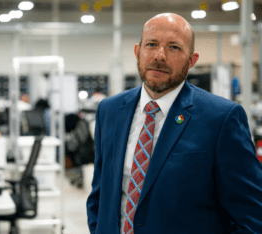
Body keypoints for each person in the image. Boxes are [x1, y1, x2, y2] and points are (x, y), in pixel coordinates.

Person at [86, 13, 262, 234]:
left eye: (174, 48)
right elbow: (99, 196)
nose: (160, 56)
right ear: (137, 51)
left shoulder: (221, 118)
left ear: (192, 61)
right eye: (151, 44)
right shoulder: (110, 111)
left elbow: (252, 215)